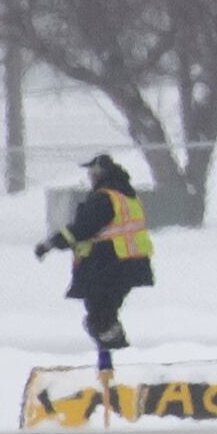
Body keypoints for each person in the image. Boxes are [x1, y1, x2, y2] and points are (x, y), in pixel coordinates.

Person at [39, 153, 155, 367]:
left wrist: (51, 243)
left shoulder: (104, 198)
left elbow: (83, 229)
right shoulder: (126, 195)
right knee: (103, 316)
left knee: (100, 319)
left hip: (110, 266)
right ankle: (117, 357)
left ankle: (119, 360)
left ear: (100, 174)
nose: (90, 178)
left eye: (92, 174)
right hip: (128, 265)